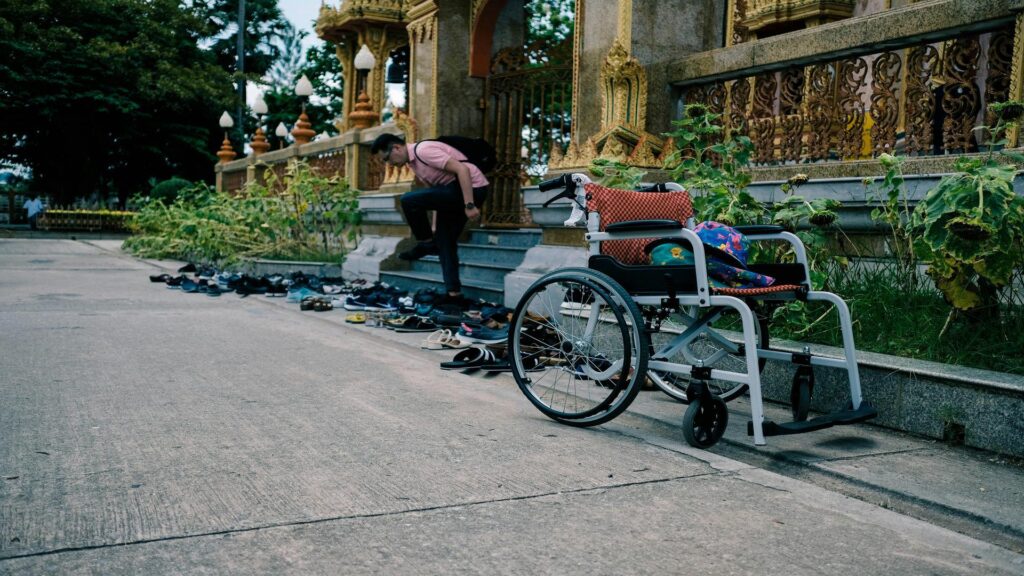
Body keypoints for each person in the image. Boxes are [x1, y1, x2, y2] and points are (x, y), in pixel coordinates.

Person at [371, 133, 489, 304]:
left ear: (396, 148)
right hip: (453, 191)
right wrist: (434, 226)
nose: (390, 164)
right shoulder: (414, 164)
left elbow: (462, 170)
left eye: (387, 159)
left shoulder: (424, 151)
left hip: (472, 187)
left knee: (408, 200)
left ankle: (426, 243)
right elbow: (435, 197)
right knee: (445, 241)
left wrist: (469, 205)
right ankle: (453, 294)